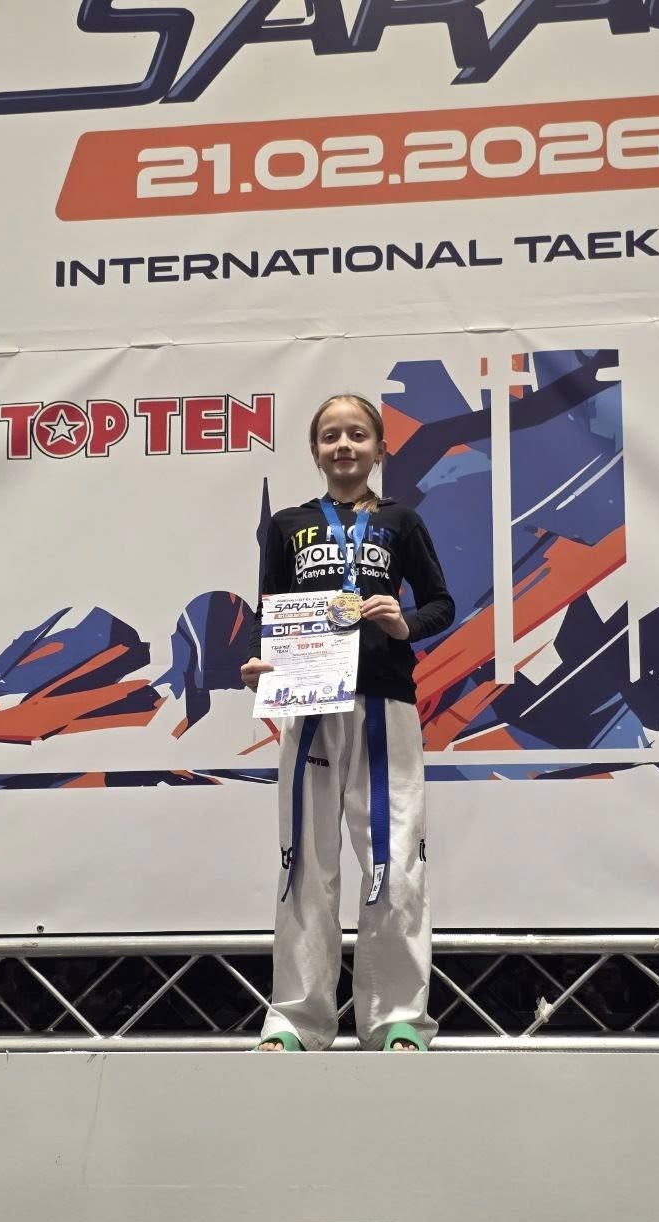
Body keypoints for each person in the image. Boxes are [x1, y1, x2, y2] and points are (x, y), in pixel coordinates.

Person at [241, 393, 455, 1052]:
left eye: (357, 434)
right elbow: (272, 611)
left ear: (380, 448)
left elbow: (442, 603)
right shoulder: (287, 526)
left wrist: (404, 624)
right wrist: (263, 665)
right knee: (305, 864)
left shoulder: (401, 522)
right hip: (309, 706)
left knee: (393, 860)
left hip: (385, 704)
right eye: (331, 435)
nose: (344, 445)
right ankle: (297, 1020)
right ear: (315, 450)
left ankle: (397, 1018)